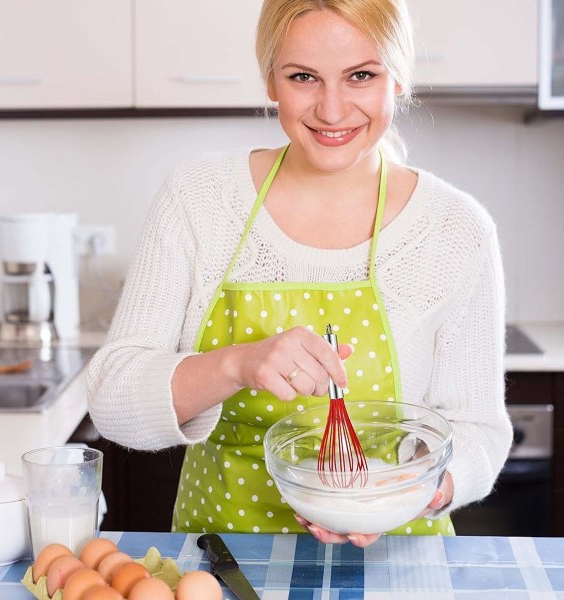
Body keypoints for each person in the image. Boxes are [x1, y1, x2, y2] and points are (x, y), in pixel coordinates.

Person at [87, 0, 512, 547]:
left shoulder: (456, 228)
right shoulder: (199, 199)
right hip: (223, 557)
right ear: (271, 82)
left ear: (398, 79)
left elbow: (480, 430)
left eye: (361, 75)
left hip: (398, 551)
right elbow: (113, 400)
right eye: (303, 77)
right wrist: (238, 363)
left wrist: (407, 492)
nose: (332, 110)